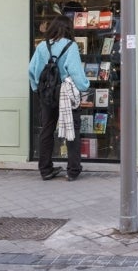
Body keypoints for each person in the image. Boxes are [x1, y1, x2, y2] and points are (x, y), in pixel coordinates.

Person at [28, 15, 90, 181]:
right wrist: (85, 86)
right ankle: (73, 170)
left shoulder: (42, 46)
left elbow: (32, 69)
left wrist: (37, 88)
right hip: (65, 93)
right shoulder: (71, 46)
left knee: (47, 129)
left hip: (46, 93)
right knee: (72, 129)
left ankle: (45, 169)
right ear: (68, 29)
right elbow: (76, 72)